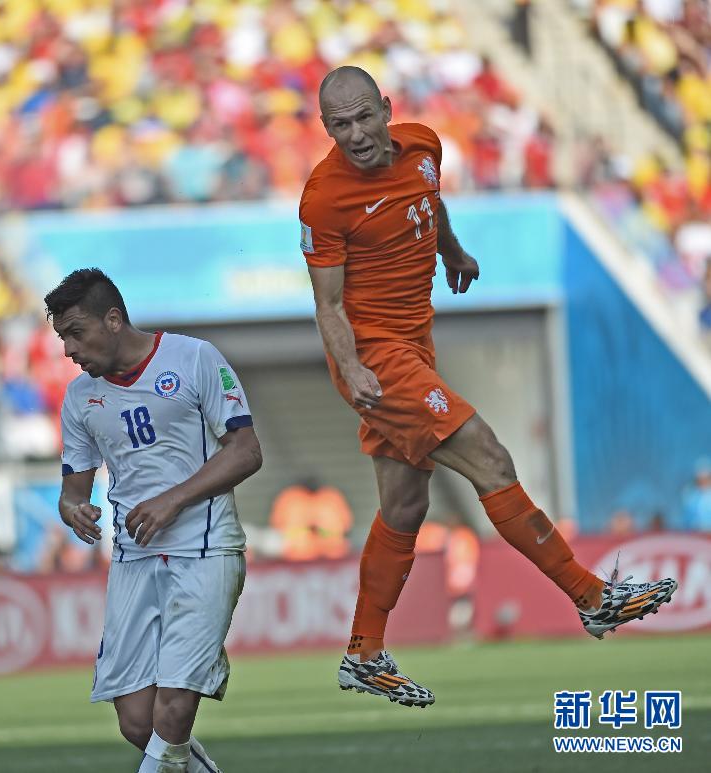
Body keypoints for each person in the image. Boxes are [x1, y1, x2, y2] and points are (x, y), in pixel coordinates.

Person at [299, 66, 678, 708]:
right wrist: (355, 368)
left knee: (404, 507)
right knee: (490, 458)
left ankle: (364, 652)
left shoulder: (423, 145)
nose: (357, 134)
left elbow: (430, 201)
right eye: (341, 124)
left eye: (365, 117)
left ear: (388, 109)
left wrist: (453, 251)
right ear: (326, 127)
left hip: (415, 346)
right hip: (375, 359)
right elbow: (328, 305)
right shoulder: (323, 198)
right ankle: (591, 598)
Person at [45, 268, 262, 772]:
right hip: (133, 556)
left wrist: (173, 500)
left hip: (205, 548)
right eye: (61, 337)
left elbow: (247, 451)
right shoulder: (80, 398)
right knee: (138, 723)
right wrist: (74, 510)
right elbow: (71, 491)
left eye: (76, 332)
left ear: (114, 320)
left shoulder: (194, 359)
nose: (68, 350)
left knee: (173, 710)